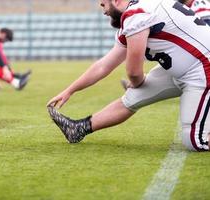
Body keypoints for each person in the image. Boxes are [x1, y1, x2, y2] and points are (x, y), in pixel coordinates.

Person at [47, 0, 210, 152]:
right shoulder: (140, 11)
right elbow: (103, 65)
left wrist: (137, 80)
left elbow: (133, 72)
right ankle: (78, 128)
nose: (101, 5)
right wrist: (70, 90)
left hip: (202, 68)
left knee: (195, 141)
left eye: (104, 2)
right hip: (189, 66)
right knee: (133, 97)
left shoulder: (136, 15)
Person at [121, 0, 210, 90]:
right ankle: (137, 87)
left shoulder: (200, 5)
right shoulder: (175, 6)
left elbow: (205, 33)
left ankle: (137, 86)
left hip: (201, 57)